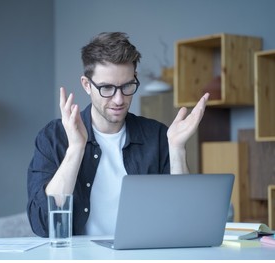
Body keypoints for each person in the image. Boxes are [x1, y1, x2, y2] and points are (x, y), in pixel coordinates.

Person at [27, 32, 209, 237]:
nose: (119, 99)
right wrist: (76, 149)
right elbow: (43, 224)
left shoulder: (157, 136)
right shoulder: (54, 137)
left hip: (144, 258)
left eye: (127, 86)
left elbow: (182, 218)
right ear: (87, 85)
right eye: (107, 88)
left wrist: (177, 149)